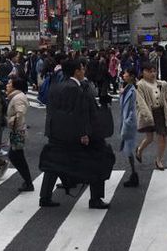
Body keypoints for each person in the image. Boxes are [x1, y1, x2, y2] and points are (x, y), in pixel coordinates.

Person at [37, 59, 114, 210]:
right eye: (82, 68)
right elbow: (78, 114)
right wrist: (83, 134)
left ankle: (45, 197)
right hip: (75, 135)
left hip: (56, 134)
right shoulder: (75, 89)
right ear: (76, 71)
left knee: (53, 165)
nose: (84, 71)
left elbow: (52, 112)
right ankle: (95, 199)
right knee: (98, 161)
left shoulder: (56, 86)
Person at [132, 63, 167, 171]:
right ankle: (139, 150)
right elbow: (141, 103)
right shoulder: (140, 85)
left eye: (154, 71)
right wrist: (149, 117)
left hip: (161, 113)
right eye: (149, 71)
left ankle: (159, 160)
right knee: (149, 138)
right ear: (143, 72)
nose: (152, 73)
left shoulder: (162, 84)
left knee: (163, 137)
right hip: (149, 113)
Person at [4, 76, 35, 192]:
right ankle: (27, 182)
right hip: (17, 130)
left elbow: (20, 113)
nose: (7, 85)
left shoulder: (18, 98)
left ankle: (28, 182)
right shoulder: (16, 96)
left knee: (15, 156)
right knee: (17, 156)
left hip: (18, 131)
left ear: (15, 86)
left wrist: (12, 122)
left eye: (9, 84)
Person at [118, 68, 141, 188]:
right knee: (128, 150)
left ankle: (134, 175)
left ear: (131, 76)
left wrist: (128, 122)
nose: (124, 75)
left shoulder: (133, 90)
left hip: (129, 124)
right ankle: (133, 174)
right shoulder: (127, 88)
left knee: (128, 150)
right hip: (126, 122)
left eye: (126, 73)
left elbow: (133, 109)